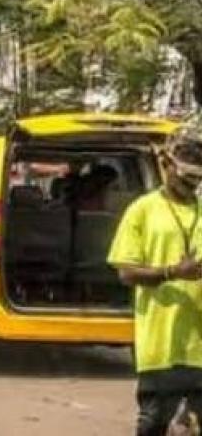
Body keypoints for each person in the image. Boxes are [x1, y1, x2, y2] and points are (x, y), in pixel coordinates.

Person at [108, 125, 202, 436]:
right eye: (187, 175)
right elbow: (126, 272)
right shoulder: (142, 211)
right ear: (166, 164)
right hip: (161, 344)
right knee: (154, 423)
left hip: (199, 344)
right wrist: (173, 272)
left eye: (198, 178)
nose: (192, 184)